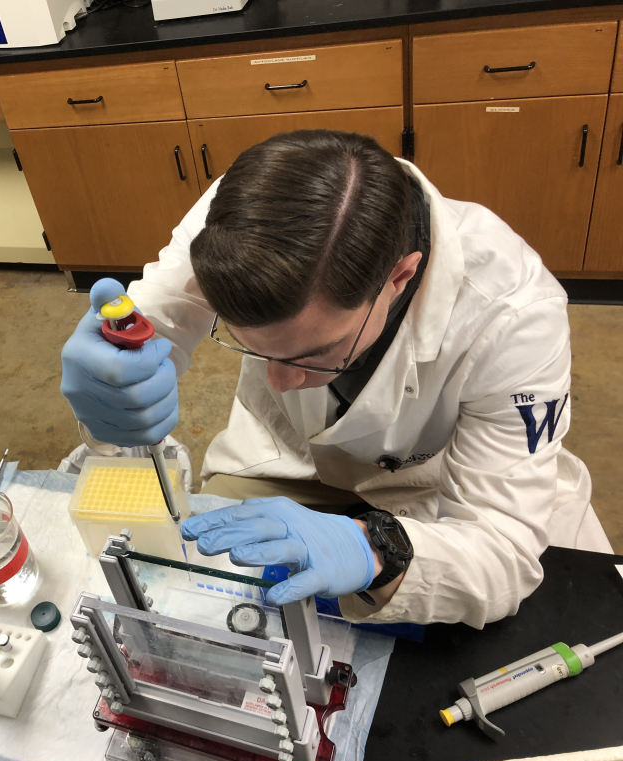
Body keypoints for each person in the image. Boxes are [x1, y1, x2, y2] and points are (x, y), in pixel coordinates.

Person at [60, 129, 612, 629]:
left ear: (399, 277)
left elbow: (501, 546)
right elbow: (153, 326)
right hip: (286, 457)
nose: (276, 383)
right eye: (254, 350)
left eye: (315, 354)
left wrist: (379, 550)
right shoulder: (248, 215)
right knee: (204, 587)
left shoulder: (513, 316)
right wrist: (110, 383)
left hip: (435, 485)